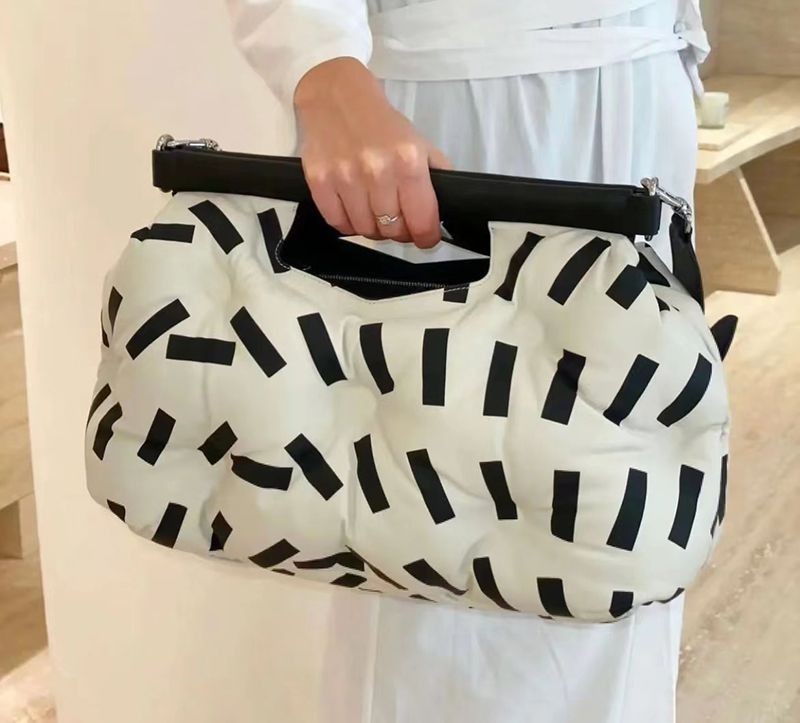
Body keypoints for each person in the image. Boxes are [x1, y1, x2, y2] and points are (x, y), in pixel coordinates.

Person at [224, 1, 709, 721]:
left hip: (641, 91)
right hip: (459, 119)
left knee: (619, 527)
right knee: (437, 547)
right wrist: (322, 68)